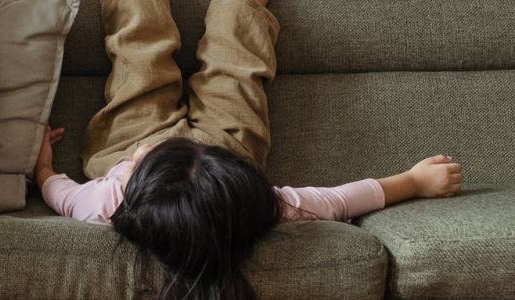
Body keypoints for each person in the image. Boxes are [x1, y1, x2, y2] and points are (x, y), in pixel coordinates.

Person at [33, 0, 464, 299]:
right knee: (238, 59)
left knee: (137, 54)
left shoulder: (108, 201)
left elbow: (63, 195)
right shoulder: (251, 203)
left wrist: (43, 169)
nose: (157, 146)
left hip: (125, 144)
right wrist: (412, 182)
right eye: (153, 153)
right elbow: (337, 200)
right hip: (224, 149)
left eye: (142, 165)